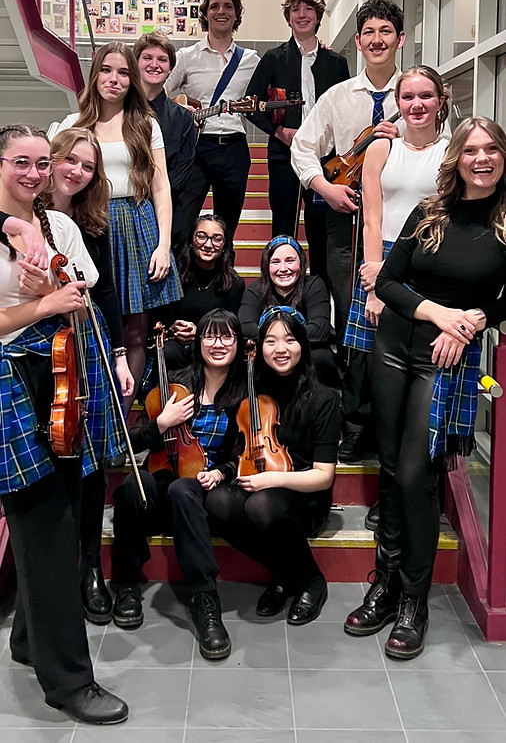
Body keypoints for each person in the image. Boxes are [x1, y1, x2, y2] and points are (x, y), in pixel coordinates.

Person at [345, 117, 506, 660]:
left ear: (503, 158)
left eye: (491, 149)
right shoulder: (430, 211)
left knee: (417, 475)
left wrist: (476, 319)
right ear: (457, 158)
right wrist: (441, 314)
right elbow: (387, 281)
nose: (481, 159)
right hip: (396, 344)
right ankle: (386, 582)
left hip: (446, 356)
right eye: (471, 150)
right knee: (391, 469)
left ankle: (415, 599)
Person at [0, 124, 127, 724]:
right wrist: (41, 305)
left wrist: (55, 286)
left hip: (65, 374)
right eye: (20, 162)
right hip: (11, 379)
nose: (34, 174)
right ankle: (70, 682)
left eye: (39, 164)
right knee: (44, 522)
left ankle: (29, 638)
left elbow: (83, 290)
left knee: (67, 510)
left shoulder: (57, 226)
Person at [291, 0, 406, 452]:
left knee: (396, 316)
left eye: (385, 32)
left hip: (400, 225)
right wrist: (325, 188)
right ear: (358, 42)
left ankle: (392, 420)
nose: (377, 40)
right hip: (347, 217)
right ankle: (357, 422)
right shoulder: (337, 97)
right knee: (353, 315)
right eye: (369, 33)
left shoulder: (415, 94)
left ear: (400, 39)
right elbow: (302, 147)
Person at [51, 41, 182, 412]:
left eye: (124, 72)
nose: (115, 79)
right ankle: (90, 412)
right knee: (86, 323)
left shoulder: (146, 124)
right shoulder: (72, 124)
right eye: (107, 70)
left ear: (132, 79)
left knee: (135, 331)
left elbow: (161, 187)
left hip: (136, 224)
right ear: (95, 75)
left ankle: (120, 419)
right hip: (85, 223)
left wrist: (163, 245)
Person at [111, 309, 246, 660]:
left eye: (226, 336)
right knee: (133, 485)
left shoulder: (244, 391)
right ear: (198, 342)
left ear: (237, 343)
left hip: (204, 490)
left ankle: (205, 597)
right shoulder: (174, 383)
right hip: (163, 482)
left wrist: (222, 472)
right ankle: (127, 581)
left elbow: (246, 451)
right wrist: (161, 422)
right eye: (210, 336)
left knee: (183, 489)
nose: (218, 344)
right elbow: (129, 441)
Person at [44, 127, 133, 624]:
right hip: (40, 342)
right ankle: (56, 564)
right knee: (53, 453)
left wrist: (118, 355)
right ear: (53, 159)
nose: (77, 172)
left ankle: (92, 566)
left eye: (88, 166)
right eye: (70, 161)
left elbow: (108, 291)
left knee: (91, 456)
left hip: (87, 338)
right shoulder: (22, 213)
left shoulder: (94, 222)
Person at [341, 67, 450, 467]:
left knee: (417, 359)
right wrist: (375, 284)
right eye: (408, 97)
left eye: (425, 96)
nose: (416, 105)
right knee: (368, 358)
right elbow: (372, 218)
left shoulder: (452, 152)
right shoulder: (381, 149)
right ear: (398, 103)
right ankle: (364, 437)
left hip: (427, 258)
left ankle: (413, 451)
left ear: (440, 101)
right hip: (380, 257)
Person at [206, 306, 340, 625]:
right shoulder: (254, 394)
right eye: (271, 341)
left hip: (305, 493)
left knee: (261, 506)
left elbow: (323, 477)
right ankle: (284, 571)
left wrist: (272, 480)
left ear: (303, 344)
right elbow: (242, 453)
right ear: (261, 347)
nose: (280, 348)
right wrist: (223, 472)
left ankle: (312, 579)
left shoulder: (324, 399)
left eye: (290, 340)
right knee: (218, 501)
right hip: (262, 483)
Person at [246, 0, 349, 278]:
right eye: (295, 10)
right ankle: (279, 288)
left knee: (320, 229)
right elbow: (251, 105)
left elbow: (344, 110)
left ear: (318, 16)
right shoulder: (273, 59)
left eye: (308, 9)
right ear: (288, 18)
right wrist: (278, 131)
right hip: (284, 155)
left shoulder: (336, 63)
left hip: (326, 160)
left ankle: (319, 291)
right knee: (283, 225)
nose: (302, 15)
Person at [164, 0, 259, 242]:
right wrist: (181, 110)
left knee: (226, 231)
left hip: (234, 149)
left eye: (228, 6)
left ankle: (224, 270)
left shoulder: (251, 60)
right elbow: (160, 95)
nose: (221, 11)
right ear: (205, 13)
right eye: (214, 6)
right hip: (195, 148)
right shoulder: (186, 56)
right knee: (181, 226)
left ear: (236, 14)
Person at [239, 234, 336, 385]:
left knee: (321, 356)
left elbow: (320, 330)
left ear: (301, 263)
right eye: (275, 262)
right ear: (266, 266)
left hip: (304, 352)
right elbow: (244, 327)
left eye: (290, 261)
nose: (283, 269)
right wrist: (276, 344)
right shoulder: (255, 290)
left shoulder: (314, 285)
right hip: (270, 353)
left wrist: (284, 343)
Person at [134, 30, 196, 249]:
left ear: (170, 69)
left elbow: (180, 174)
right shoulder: (117, 111)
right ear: (135, 63)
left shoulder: (183, 118)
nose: (154, 65)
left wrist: (150, 201)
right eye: (147, 58)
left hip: (164, 215)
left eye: (162, 59)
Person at [163, 214, 245, 371]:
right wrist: (173, 328)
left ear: (224, 246)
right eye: (201, 236)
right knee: (168, 351)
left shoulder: (234, 283)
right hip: (178, 345)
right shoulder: (174, 276)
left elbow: (233, 328)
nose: (208, 244)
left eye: (217, 239)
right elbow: (162, 320)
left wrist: (201, 334)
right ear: (191, 241)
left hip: (214, 344)